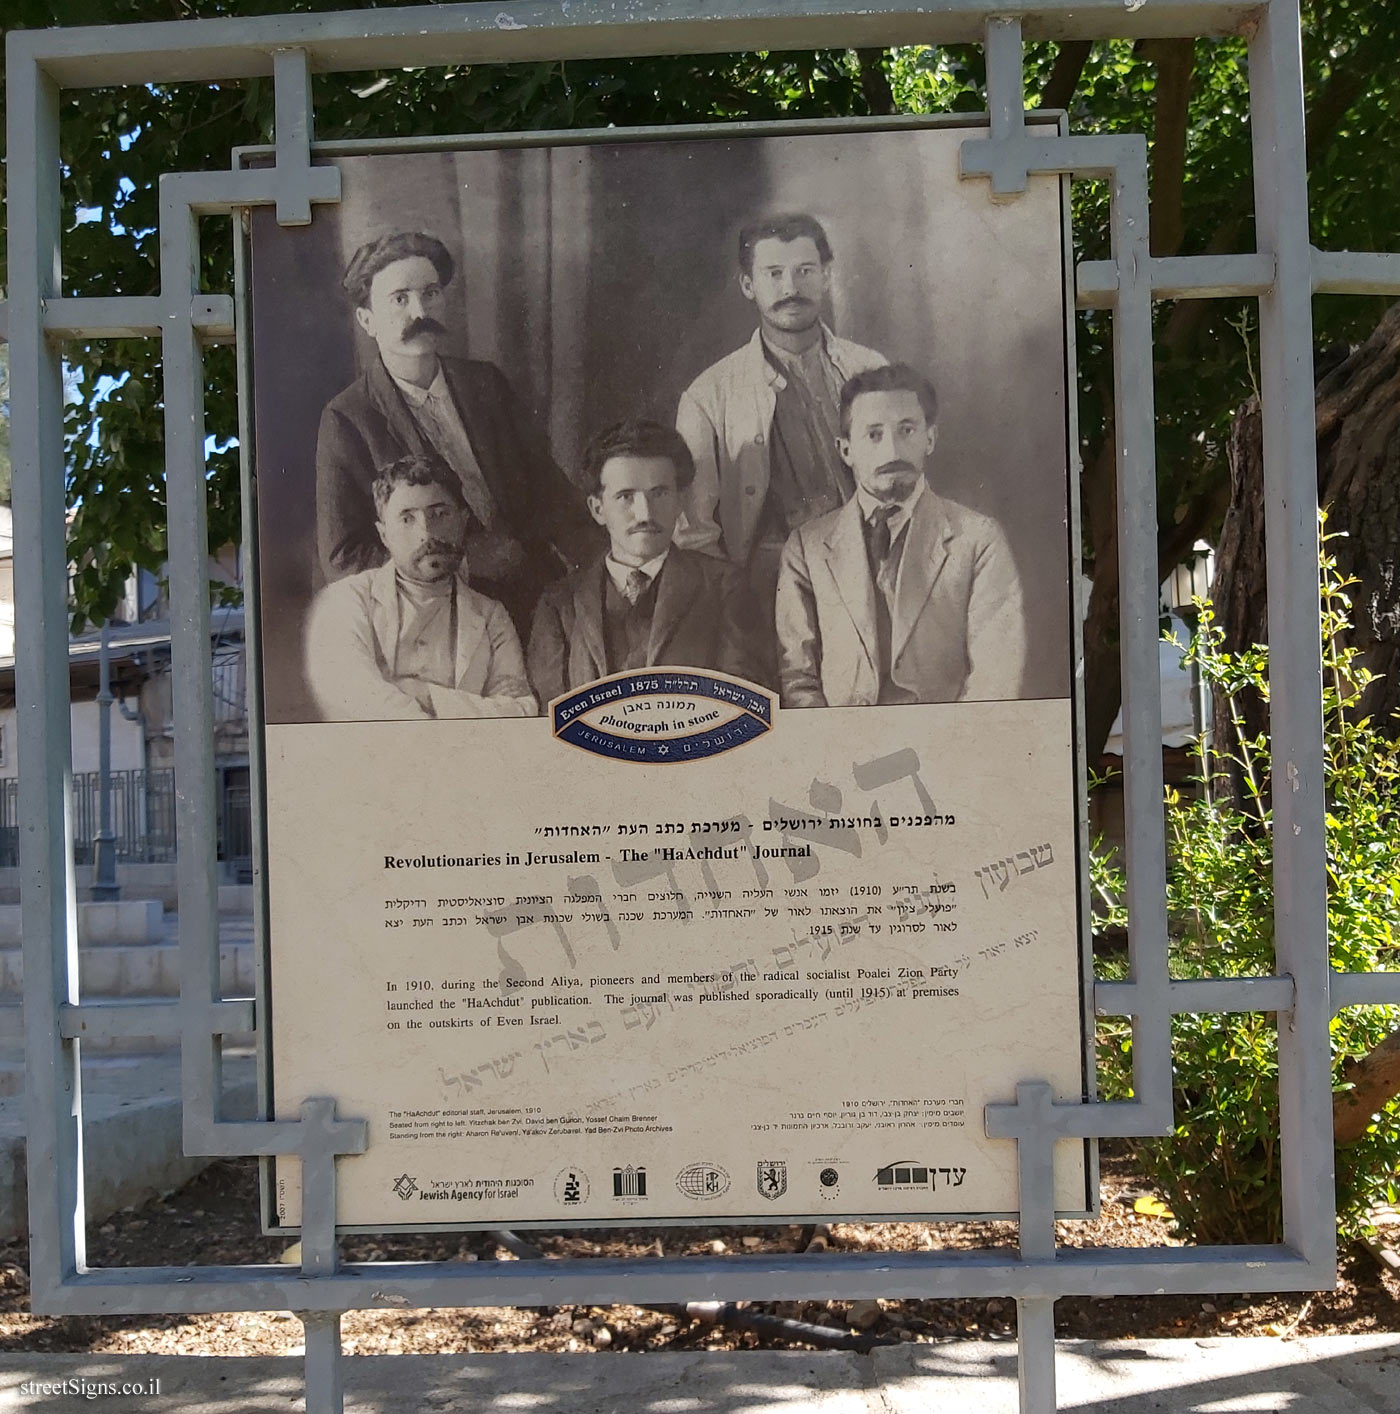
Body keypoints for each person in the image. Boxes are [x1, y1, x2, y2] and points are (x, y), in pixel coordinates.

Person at [315, 230, 597, 638]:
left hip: (537, 592)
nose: (419, 311)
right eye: (400, 299)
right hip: (437, 617)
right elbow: (343, 557)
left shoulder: (485, 384)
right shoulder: (348, 418)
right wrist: (458, 564)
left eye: (431, 294)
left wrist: (600, 570)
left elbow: (550, 491)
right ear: (367, 320)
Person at [673, 213, 887, 632]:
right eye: (774, 274)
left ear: (826, 276)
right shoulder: (708, 395)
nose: (791, 288)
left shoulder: (872, 369)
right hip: (766, 596)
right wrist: (735, 614)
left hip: (874, 577)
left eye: (805, 271)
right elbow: (694, 534)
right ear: (748, 285)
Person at [775, 364, 1026, 707]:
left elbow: (996, 672)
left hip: (945, 744)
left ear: (930, 438)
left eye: (906, 430)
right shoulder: (807, 548)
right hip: (843, 747)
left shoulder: (978, 539)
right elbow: (797, 676)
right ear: (845, 450)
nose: (892, 451)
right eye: (874, 434)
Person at [527, 419, 763, 702]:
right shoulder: (559, 605)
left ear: (680, 501)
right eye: (626, 496)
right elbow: (549, 722)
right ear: (598, 509)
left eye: (659, 493)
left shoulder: (726, 587)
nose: (645, 513)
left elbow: (743, 703)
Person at [304, 454, 537, 721]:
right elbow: (358, 702)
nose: (427, 533)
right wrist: (465, 706)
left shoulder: (491, 616)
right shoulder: (345, 602)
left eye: (439, 514)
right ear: (384, 535)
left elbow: (520, 712)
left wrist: (425, 695)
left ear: (463, 520)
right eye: (407, 519)